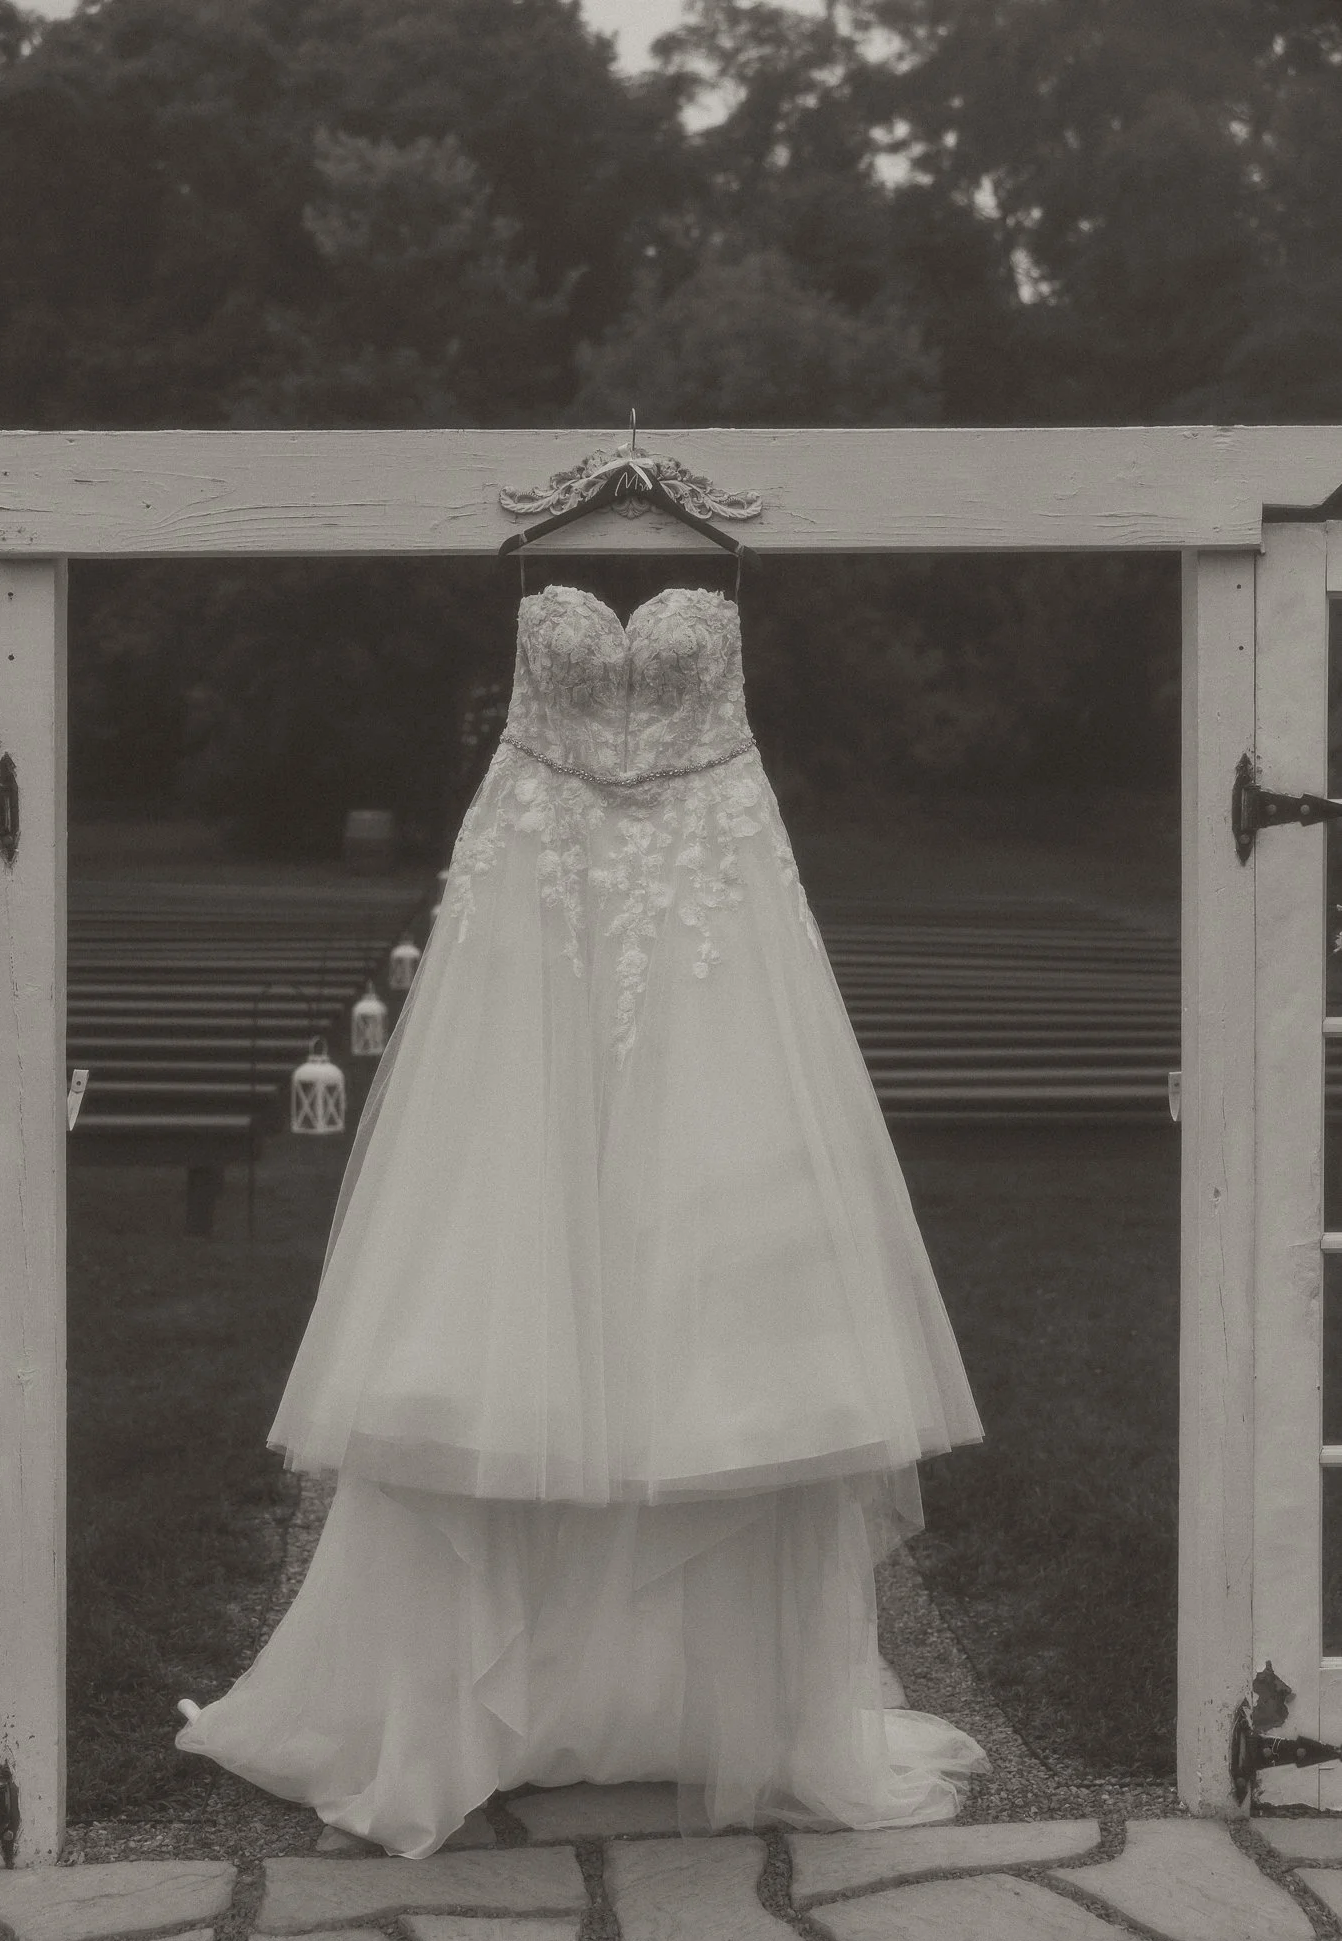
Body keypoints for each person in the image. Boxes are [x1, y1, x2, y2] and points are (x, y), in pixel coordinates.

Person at [177, 556, 989, 1856]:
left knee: (711, 1307)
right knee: (513, 1281)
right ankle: (505, 1704)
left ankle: (696, 1708)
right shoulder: (583, 596)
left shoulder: (709, 580)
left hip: (710, 924)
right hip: (536, 919)